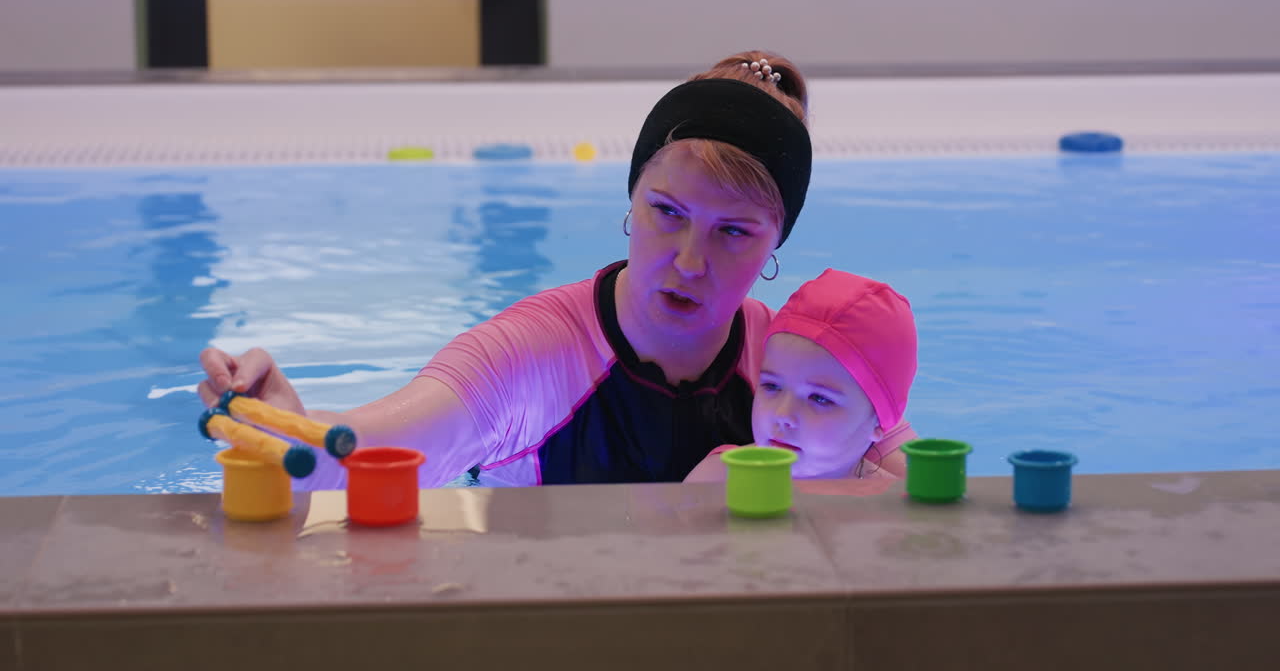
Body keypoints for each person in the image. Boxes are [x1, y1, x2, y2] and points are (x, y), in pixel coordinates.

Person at [198, 52, 814, 488]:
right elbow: (382, 450)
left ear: (776, 244)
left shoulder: (798, 363)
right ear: (632, 200)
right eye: (668, 212)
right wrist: (293, 428)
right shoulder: (531, 354)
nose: (689, 261)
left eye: (734, 232)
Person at [684, 269, 918, 484]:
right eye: (772, 386)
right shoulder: (719, 481)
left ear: (878, 423)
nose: (783, 414)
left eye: (819, 398)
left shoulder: (892, 504)